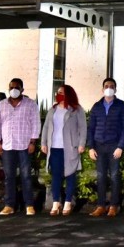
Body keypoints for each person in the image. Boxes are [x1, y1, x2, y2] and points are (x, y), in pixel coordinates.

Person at [0, 78, 41, 216]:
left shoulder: (31, 104)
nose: (14, 89)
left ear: (22, 89)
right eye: (11, 87)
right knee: (9, 177)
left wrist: (33, 142)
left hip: (24, 145)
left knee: (26, 176)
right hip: (8, 145)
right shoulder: (2, 104)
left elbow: (36, 124)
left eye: (17, 87)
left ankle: (29, 205)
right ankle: (9, 205)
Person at [87, 77, 124, 217]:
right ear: (102, 89)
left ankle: (113, 206)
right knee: (100, 177)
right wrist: (91, 147)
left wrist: (120, 146)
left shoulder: (122, 105)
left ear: (115, 89)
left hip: (114, 146)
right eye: (106, 86)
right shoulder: (96, 106)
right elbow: (91, 128)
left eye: (111, 86)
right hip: (99, 146)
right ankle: (101, 206)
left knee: (114, 176)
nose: (109, 88)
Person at [41, 84, 87, 216]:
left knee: (70, 174)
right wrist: (44, 143)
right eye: (58, 92)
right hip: (54, 147)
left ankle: (67, 202)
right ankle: (56, 202)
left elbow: (83, 128)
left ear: (68, 94)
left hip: (70, 147)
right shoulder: (53, 110)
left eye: (61, 92)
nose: (58, 94)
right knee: (56, 175)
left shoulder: (76, 110)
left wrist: (81, 144)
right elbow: (46, 127)